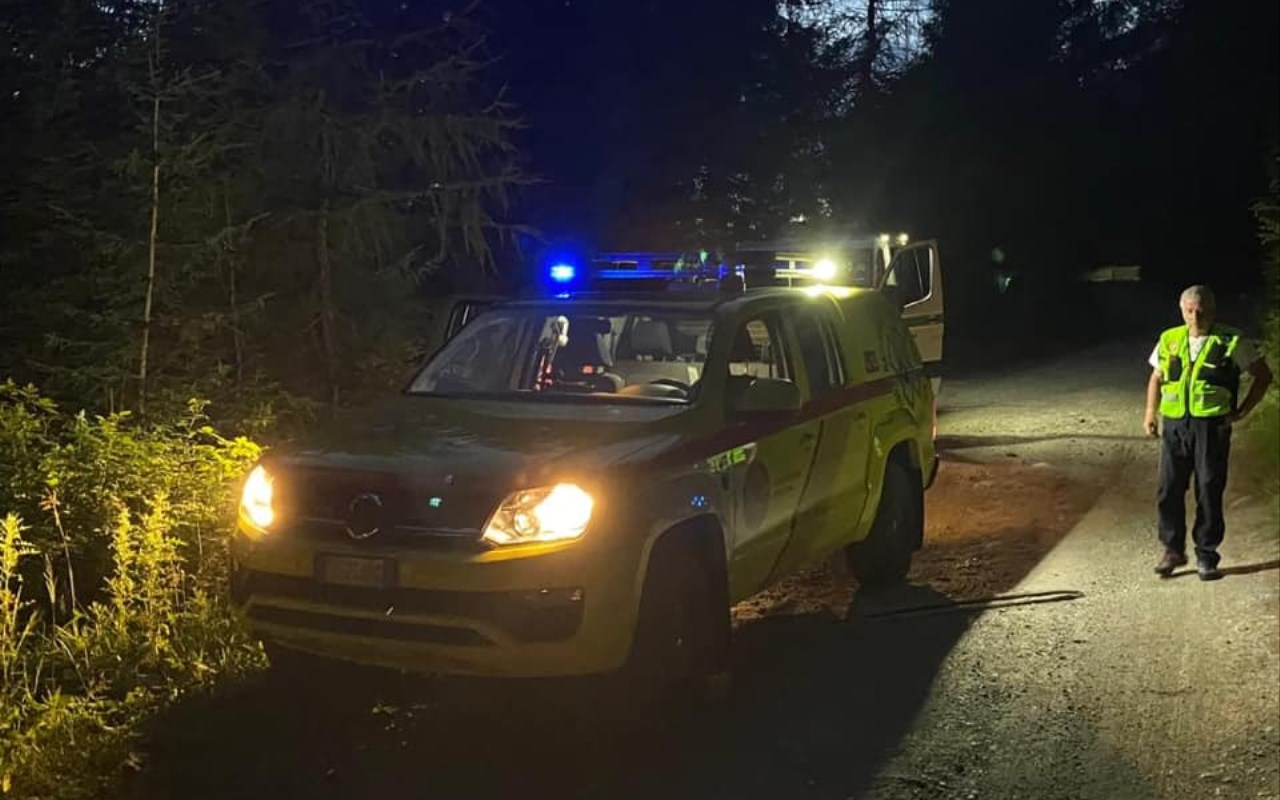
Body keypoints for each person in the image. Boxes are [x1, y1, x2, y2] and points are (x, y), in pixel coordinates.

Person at [1143, 285, 1273, 580]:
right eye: (1190, 311)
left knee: (1209, 487)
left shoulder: (1231, 340)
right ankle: (1172, 550)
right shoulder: (1169, 338)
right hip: (1176, 424)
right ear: (1182, 310)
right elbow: (1156, 378)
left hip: (1211, 425)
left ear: (1212, 311)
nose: (1195, 317)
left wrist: (1243, 410)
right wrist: (1151, 412)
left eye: (1201, 311)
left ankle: (1206, 554)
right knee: (1168, 488)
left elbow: (1263, 376)